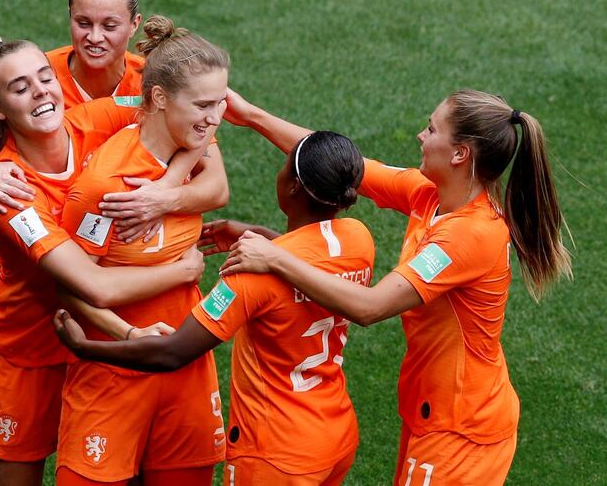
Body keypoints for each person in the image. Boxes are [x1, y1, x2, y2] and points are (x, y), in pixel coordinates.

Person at [0, 0, 229, 467]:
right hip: (43, 266)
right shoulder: (31, 92)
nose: (94, 37)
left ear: (134, 26)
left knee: (110, 448)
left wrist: (165, 193)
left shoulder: (130, 92)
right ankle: (1, 419)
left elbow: (205, 133)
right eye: (82, 22)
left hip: (95, 262)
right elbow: (84, 282)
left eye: (109, 25)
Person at [208, 89, 573, 485]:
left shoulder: (469, 235)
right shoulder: (430, 195)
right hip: (431, 412)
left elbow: (370, 307)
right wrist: (250, 115)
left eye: (432, 129)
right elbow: (340, 165)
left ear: (459, 154)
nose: (421, 135)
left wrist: (275, 256)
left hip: (463, 431)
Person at [54, 131, 374, 486]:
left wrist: (86, 347)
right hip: (336, 434)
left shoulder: (251, 276)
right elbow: (311, 262)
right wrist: (255, 233)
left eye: (284, 166)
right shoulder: (358, 239)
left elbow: (173, 352)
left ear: (295, 186)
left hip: (274, 453)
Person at [53, 15, 230, 486]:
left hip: (186, 370)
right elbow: (70, 287)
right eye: (204, 104)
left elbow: (216, 184)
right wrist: (131, 337)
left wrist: (167, 191)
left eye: (221, 103)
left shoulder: (193, 143)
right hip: (113, 374)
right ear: (158, 98)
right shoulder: (107, 187)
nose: (215, 118)